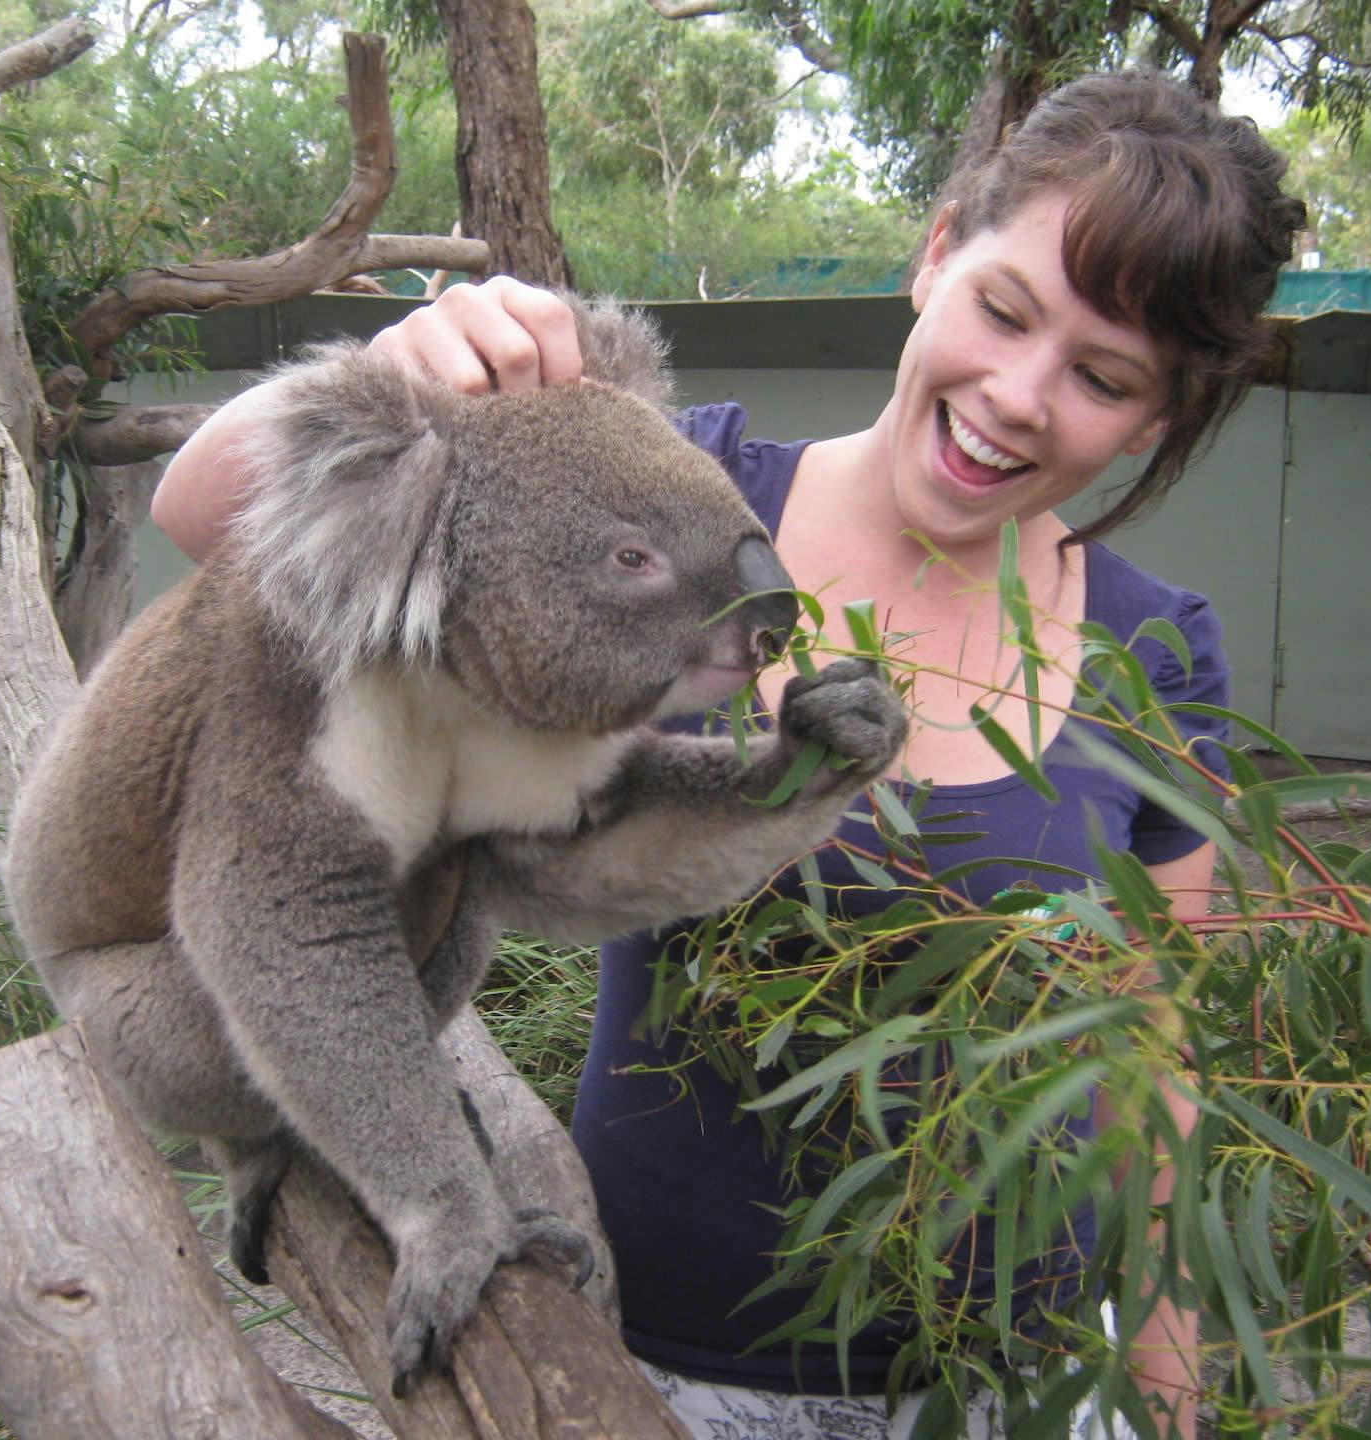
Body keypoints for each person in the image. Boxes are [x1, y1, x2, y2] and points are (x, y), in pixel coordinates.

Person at [153, 71, 1306, 1440]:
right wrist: (398, 377)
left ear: (1155, 421)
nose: (1018, 394)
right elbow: (206, 516)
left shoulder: (1157, 654)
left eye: (1103, 379)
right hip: (675, 1361)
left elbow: (1149, 1052)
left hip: (1026, 1371)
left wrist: (1166, 1389)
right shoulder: (672, 500)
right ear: (935, 254)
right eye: (1004, 311)